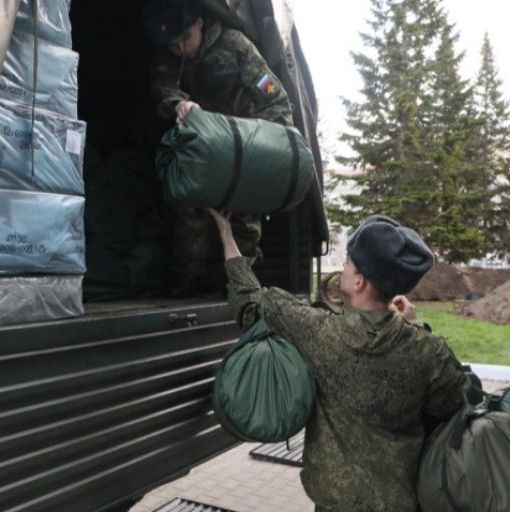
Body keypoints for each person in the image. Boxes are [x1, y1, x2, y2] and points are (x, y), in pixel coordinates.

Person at [209, 210, 466, 512]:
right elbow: (453, 407)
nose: (342, 265)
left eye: (348, 262)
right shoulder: (429, 351)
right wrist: (409, 326)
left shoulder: (318, 332)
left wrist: (226, 231)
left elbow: (249, 299)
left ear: (359, 282)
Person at [143, 0, 293, 297]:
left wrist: (269, 144)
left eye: (185, 39)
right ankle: (189, 282)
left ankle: (241, 286)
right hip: (197, 150)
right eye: (173, 45)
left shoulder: (236, 47)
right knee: (188, 216)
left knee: (244, 223)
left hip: (240, 151)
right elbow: (161, 85)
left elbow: (274, 99)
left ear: (199, 22)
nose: (181, 49)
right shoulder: (171, 57)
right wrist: (179, 103)